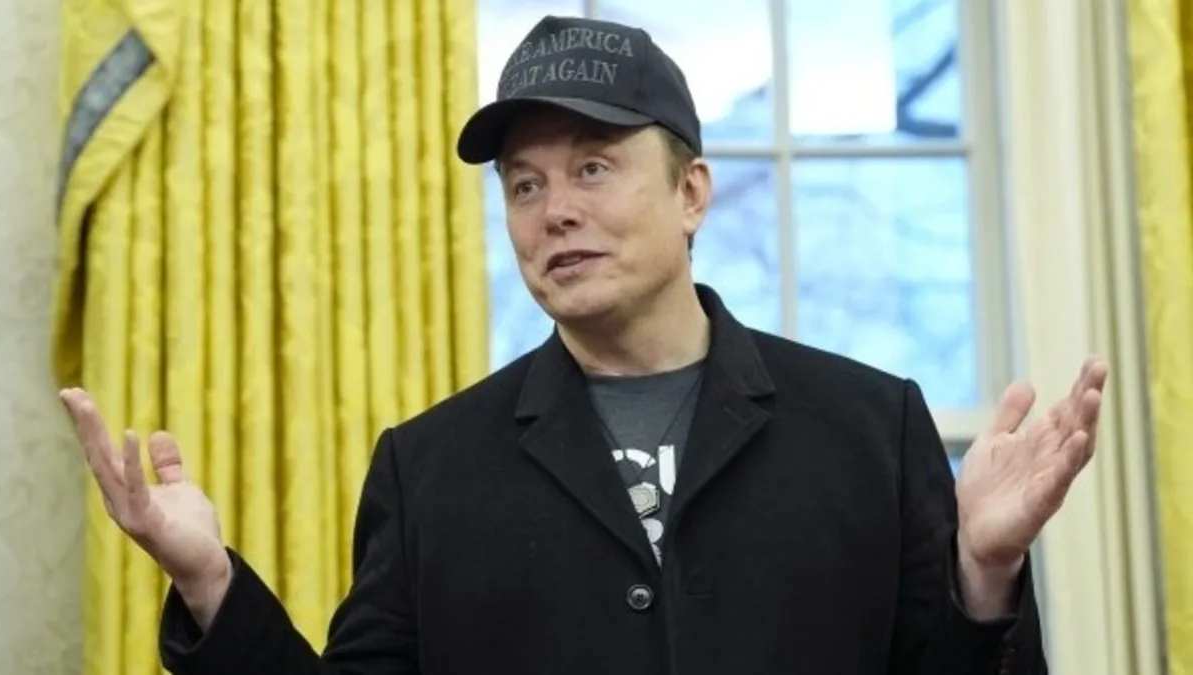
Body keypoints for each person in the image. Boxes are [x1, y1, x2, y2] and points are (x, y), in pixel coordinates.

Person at [61, 14, 1106, 675]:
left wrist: (984, 574)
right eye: (525, 184)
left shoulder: (872, 428)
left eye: (594, 167)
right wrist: (211, 584)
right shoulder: (429, 470)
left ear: (692, 193)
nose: (554, 209)